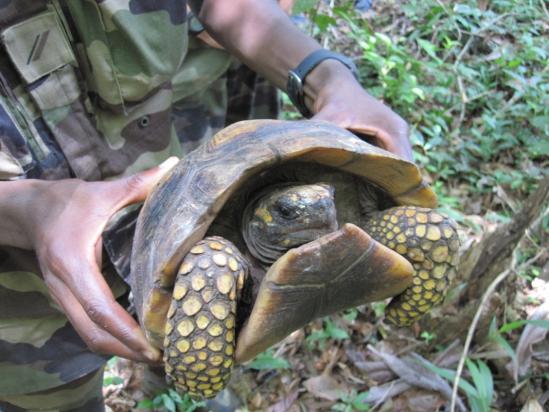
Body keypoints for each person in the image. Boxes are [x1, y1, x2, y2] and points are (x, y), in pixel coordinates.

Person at [0, 0, 412, 410]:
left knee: (202, 310)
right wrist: (25, 210)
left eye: (324, 203)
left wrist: (324, 74)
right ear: (258, 221)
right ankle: (193, 369)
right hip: (25, 315)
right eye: (287, 212)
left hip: (169, 172)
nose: (320, 209)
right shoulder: (217, 259)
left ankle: (180, 375)